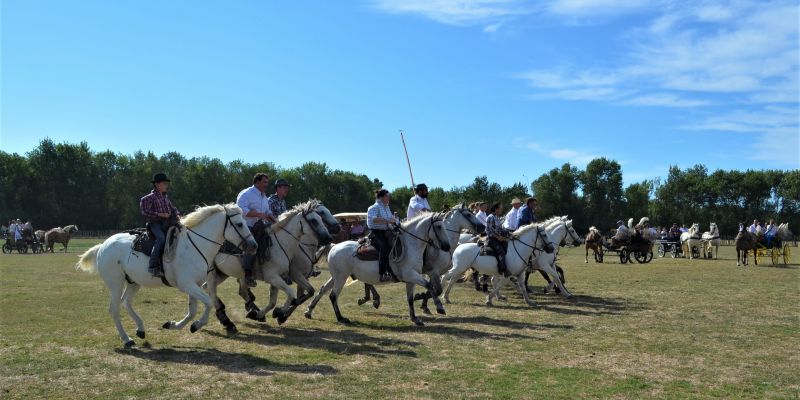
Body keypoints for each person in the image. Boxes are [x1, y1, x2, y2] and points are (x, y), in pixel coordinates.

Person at [236, 173, 276, 287]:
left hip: (259, 226)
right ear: (257, 182)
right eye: (264, 182)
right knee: (252, 245)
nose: (266, 185)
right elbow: (241, 210)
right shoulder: (246, 194)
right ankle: (248, 273)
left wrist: (273, 218)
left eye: (267, 183)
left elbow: (267, 211)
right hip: (246, 226)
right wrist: (259, 214)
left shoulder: (263, 196)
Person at [139, 173, 181, 278]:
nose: (166, 185)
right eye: (164, 183)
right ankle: (152, 266)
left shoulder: (165, 197)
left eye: (166, 183)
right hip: (155, 224)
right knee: (161, 239)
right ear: (157, 184)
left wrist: (178, 215)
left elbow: (173, 208)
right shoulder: (147, 198)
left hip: (168, 223)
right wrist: (160, 214)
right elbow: (144, 212)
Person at [367, 189, 398, 282]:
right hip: (376, 232)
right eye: (387, 196)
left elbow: (392, 219)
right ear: (381, 197)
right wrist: (388, 221)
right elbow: (374, 220)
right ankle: (382, 273)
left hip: (387, 231)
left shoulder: (387, 207)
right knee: (384, 247)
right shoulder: (374, 207)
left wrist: (396, 222)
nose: (388, 198)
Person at [485, 202, 511, 276]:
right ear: (496, 209)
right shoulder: (490, 217)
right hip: (492, 239)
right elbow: (488, 230)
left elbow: (501, 229)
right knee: (501, 252)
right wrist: (498, 237)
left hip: (499, 238)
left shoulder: (497, 217)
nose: (501, 210)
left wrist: (510, 234)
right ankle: (502, 270)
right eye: (500, 208)